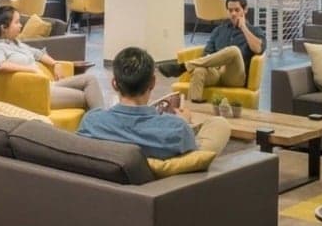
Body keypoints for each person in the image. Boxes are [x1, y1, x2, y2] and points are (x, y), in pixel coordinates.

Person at [78, 46, 231, 160]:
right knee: (220, 124)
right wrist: (185, 123)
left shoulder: (91, 121)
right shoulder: (176, 128)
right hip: (164, 185)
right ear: (153, 83)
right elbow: (191, 156)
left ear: (114, 84)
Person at [0, 6, 105, 111]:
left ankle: (103, 121)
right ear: (4, 27)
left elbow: (39, 54)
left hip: (46, 85)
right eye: (16, 22)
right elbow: (0, 65)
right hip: (35, 93)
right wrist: (31, 70)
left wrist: (55, 64)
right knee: (87, 96)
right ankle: (102, 123)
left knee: (90, 79)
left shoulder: (18, 44)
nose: (21, 25)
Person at [160, 0, 264, 102]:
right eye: (230, 10)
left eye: (237, 10)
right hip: (216, 72)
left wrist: (243, 27)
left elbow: (258, 49)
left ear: (245, 10)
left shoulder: (255, 31)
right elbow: (207, 53)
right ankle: (193, 106)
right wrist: (216, 63)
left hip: (235, 77)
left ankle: (183, 67)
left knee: (234, 50)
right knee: (199, 70)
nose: (233, 14)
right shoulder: (219, 30)